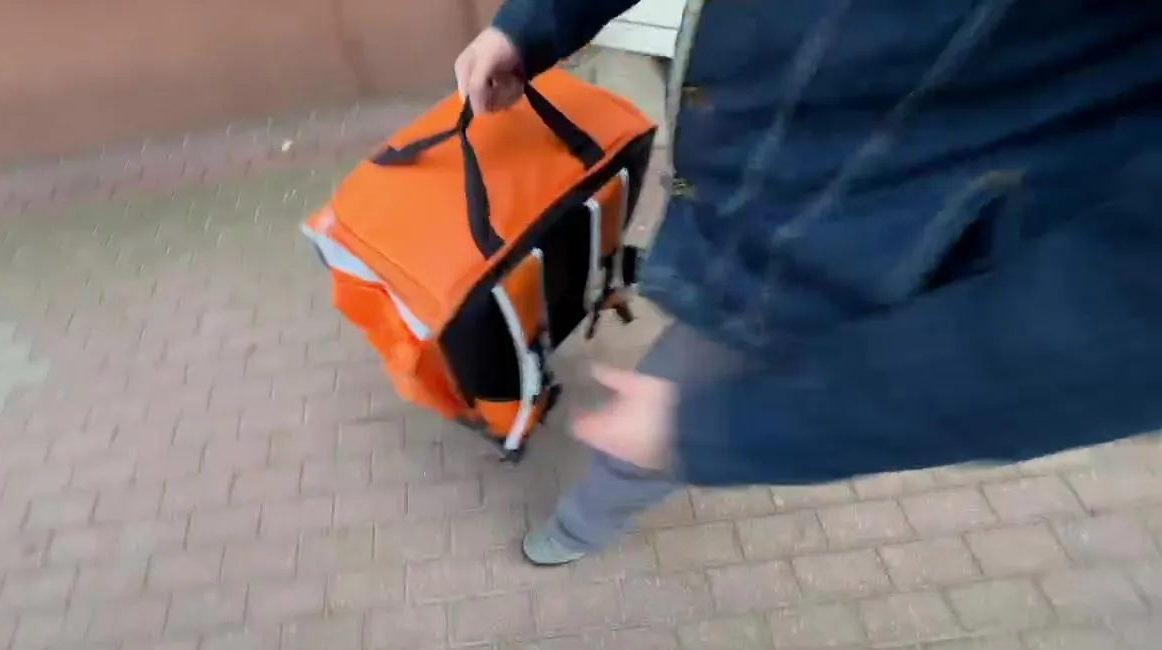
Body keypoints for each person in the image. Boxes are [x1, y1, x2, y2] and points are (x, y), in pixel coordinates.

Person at [455, 0, 1162, 566]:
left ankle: (584, 524)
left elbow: (1125, 321)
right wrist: (531, 24)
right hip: (752, 190)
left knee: (657, 414)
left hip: (848, 247)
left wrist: (723, 428)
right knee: (665, 400)